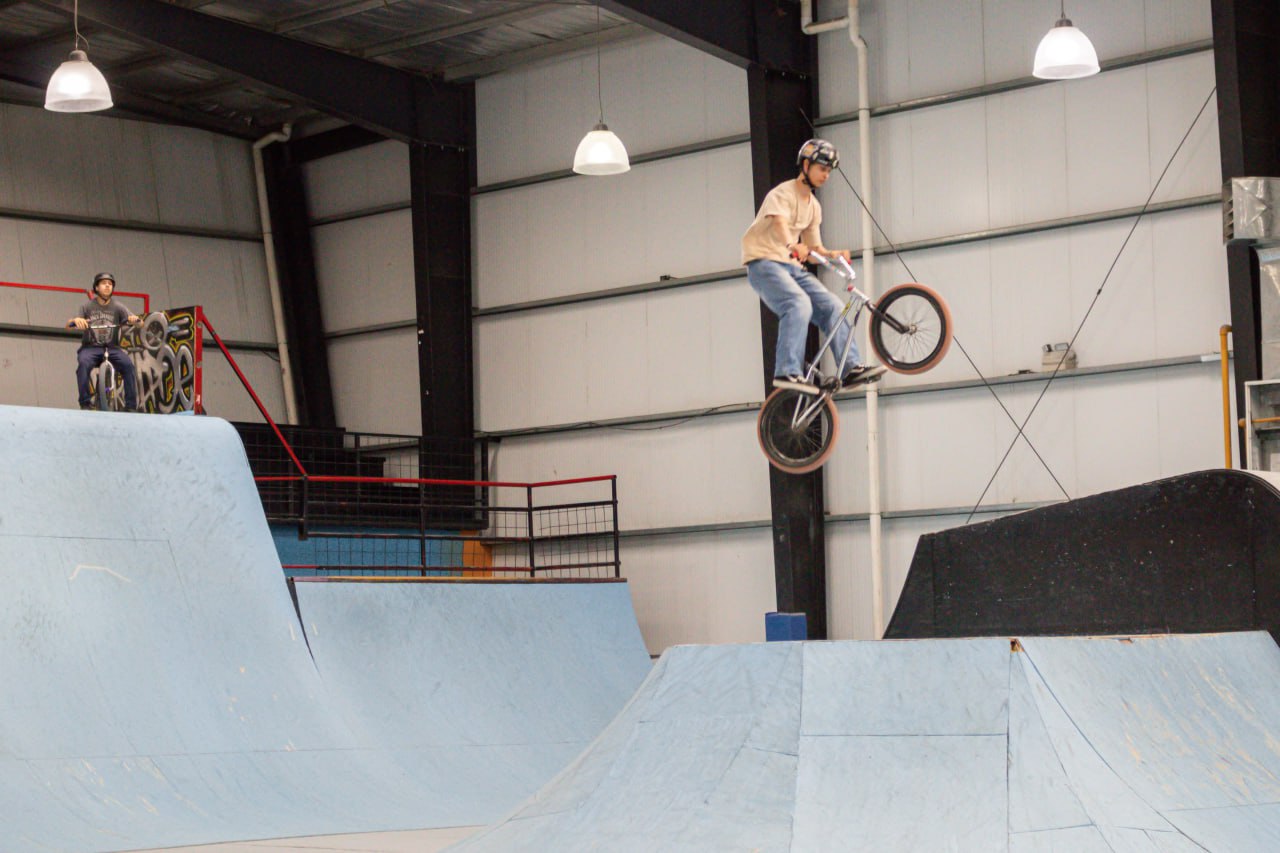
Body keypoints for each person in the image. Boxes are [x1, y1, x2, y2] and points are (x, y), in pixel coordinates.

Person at [742, 138, 886, 392]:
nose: (826, 175)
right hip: (764, 263)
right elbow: (779, 224)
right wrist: (791, 245)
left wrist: (834, 254)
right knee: (797, 304)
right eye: (822, 168)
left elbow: (813, 251)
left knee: (834, 307)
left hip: (792, 267)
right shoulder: (782, 194)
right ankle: (787, 372)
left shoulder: (814, 207)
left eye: (829, 171)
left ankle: (850, 368)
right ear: (806, 165)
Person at [67, 272, 141, 411]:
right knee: (83, 365)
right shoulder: (87, 307)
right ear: (96, 287)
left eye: (110, 284)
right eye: (104, 283)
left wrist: (135, 320)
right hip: (91, 347)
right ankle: (85, 403)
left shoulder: (118, 307)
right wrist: (76, 320)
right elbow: (68, 325)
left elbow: (140, 323)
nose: (107, 286)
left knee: (128, 366)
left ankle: (131, 406)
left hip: (113, 348)